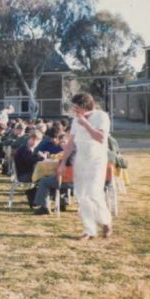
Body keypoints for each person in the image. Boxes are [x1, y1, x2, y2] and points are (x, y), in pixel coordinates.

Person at [57, 93, 112, 240]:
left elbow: (101, 138)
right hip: (81, 159)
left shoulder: (101, 116)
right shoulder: (75, 120)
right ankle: (89, 230)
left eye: (76, 107)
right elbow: (70, 144)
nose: (74, 110)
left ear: (85, 106)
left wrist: (86, 124)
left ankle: (105, 222)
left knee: (94, 192)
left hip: (97, 159)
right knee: (81, 195)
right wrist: (63, 162)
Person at [33, 134, 74, 215]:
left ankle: (44, 207)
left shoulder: (67, 155)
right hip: (76, 181)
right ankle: (62, 202)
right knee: (51, 179)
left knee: (44, 181)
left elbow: (61, 169)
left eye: (64, 142)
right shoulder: (76, 153)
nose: (62, 144)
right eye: (61, 143)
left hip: (66, 180)